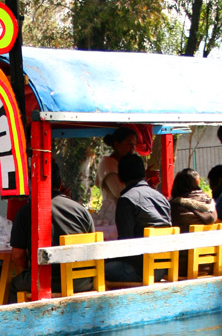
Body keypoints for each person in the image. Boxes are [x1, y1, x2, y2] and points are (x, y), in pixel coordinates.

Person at [10, 162, 94, 295]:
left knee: (14, 285)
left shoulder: (27, 211)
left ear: (33, 184)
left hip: (47, 280)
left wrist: (29, 270)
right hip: (81, 282)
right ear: (60, 182)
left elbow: (18, 256)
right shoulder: (81, 211)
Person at [104, 152, 172, 282]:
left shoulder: (126, 200)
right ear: (144, 175)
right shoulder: (161, 198)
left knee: (95, 271)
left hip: (138, 270)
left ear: (119, 178)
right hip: (162, 268)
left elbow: (126, 243)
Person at [93, 126, 138, 238]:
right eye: (128, 144)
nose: (132, 148)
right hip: (114, 218)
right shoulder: (108, 163)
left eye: (134, 144)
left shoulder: (127, 165)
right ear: (117, 145)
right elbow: (120, 191)